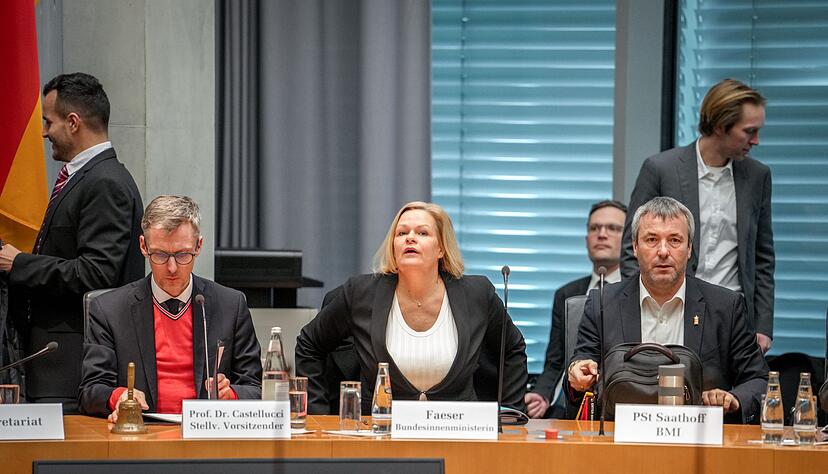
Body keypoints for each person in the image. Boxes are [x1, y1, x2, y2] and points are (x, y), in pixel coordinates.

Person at [296, 201, 528, 413]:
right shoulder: (361, 293)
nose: (410, 238)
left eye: (423, 233)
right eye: (402, 233)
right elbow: (309, 344)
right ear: (394, 246)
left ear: (441, 249)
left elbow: (513, 348)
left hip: (458, 431)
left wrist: (510, 414)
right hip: (381, 432)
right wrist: (318, 415)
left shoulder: (477, 293)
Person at [0, 73, 144, 412]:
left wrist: (19, 263)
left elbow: (97, 274)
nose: (44, 131)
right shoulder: (87, 178)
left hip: (71, 367)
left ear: (74, 122)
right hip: (54, 363)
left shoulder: (105, 182)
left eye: (48, 122)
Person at [570, 197, 768, 423]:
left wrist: (732, 398)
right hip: (621, 441)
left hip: (699, 439)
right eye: (652, 240)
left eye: (674, 240)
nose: (663, 251)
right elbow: (580, 373)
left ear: (689, 248)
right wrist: (578, 376)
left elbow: (758, 380)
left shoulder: (725, 306)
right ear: (635, 247)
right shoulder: (602, 303)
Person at [620, 79, 774, 354]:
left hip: (732, 317)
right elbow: (632, 247)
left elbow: (762, 258)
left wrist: (762, 325)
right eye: (749, 131)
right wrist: (638, 310)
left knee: (727, 397)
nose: (756, 141)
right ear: (719, 126)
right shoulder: (661, 169)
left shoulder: (758, 176)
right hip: (671, 310)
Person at [79, 196, 262, 420]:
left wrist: (230, 394)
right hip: (142, 432)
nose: (172, 267)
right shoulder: (109, 309)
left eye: (183, 254)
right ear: (143, 247)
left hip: (206, 434)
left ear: (199, 246)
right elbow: (90, 391)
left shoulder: (231, 305)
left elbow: (256, 387)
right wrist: (119, 397)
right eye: (160, 255)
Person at [526, 200, 627, 419]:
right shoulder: (567, 294)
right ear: (586, 240)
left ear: (630, 240)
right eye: (594, 228)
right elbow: (555, 362)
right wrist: (541, 395)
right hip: (571, 401)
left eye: (613, 228)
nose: (601, 234)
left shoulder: (638, 291)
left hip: (620, 403)